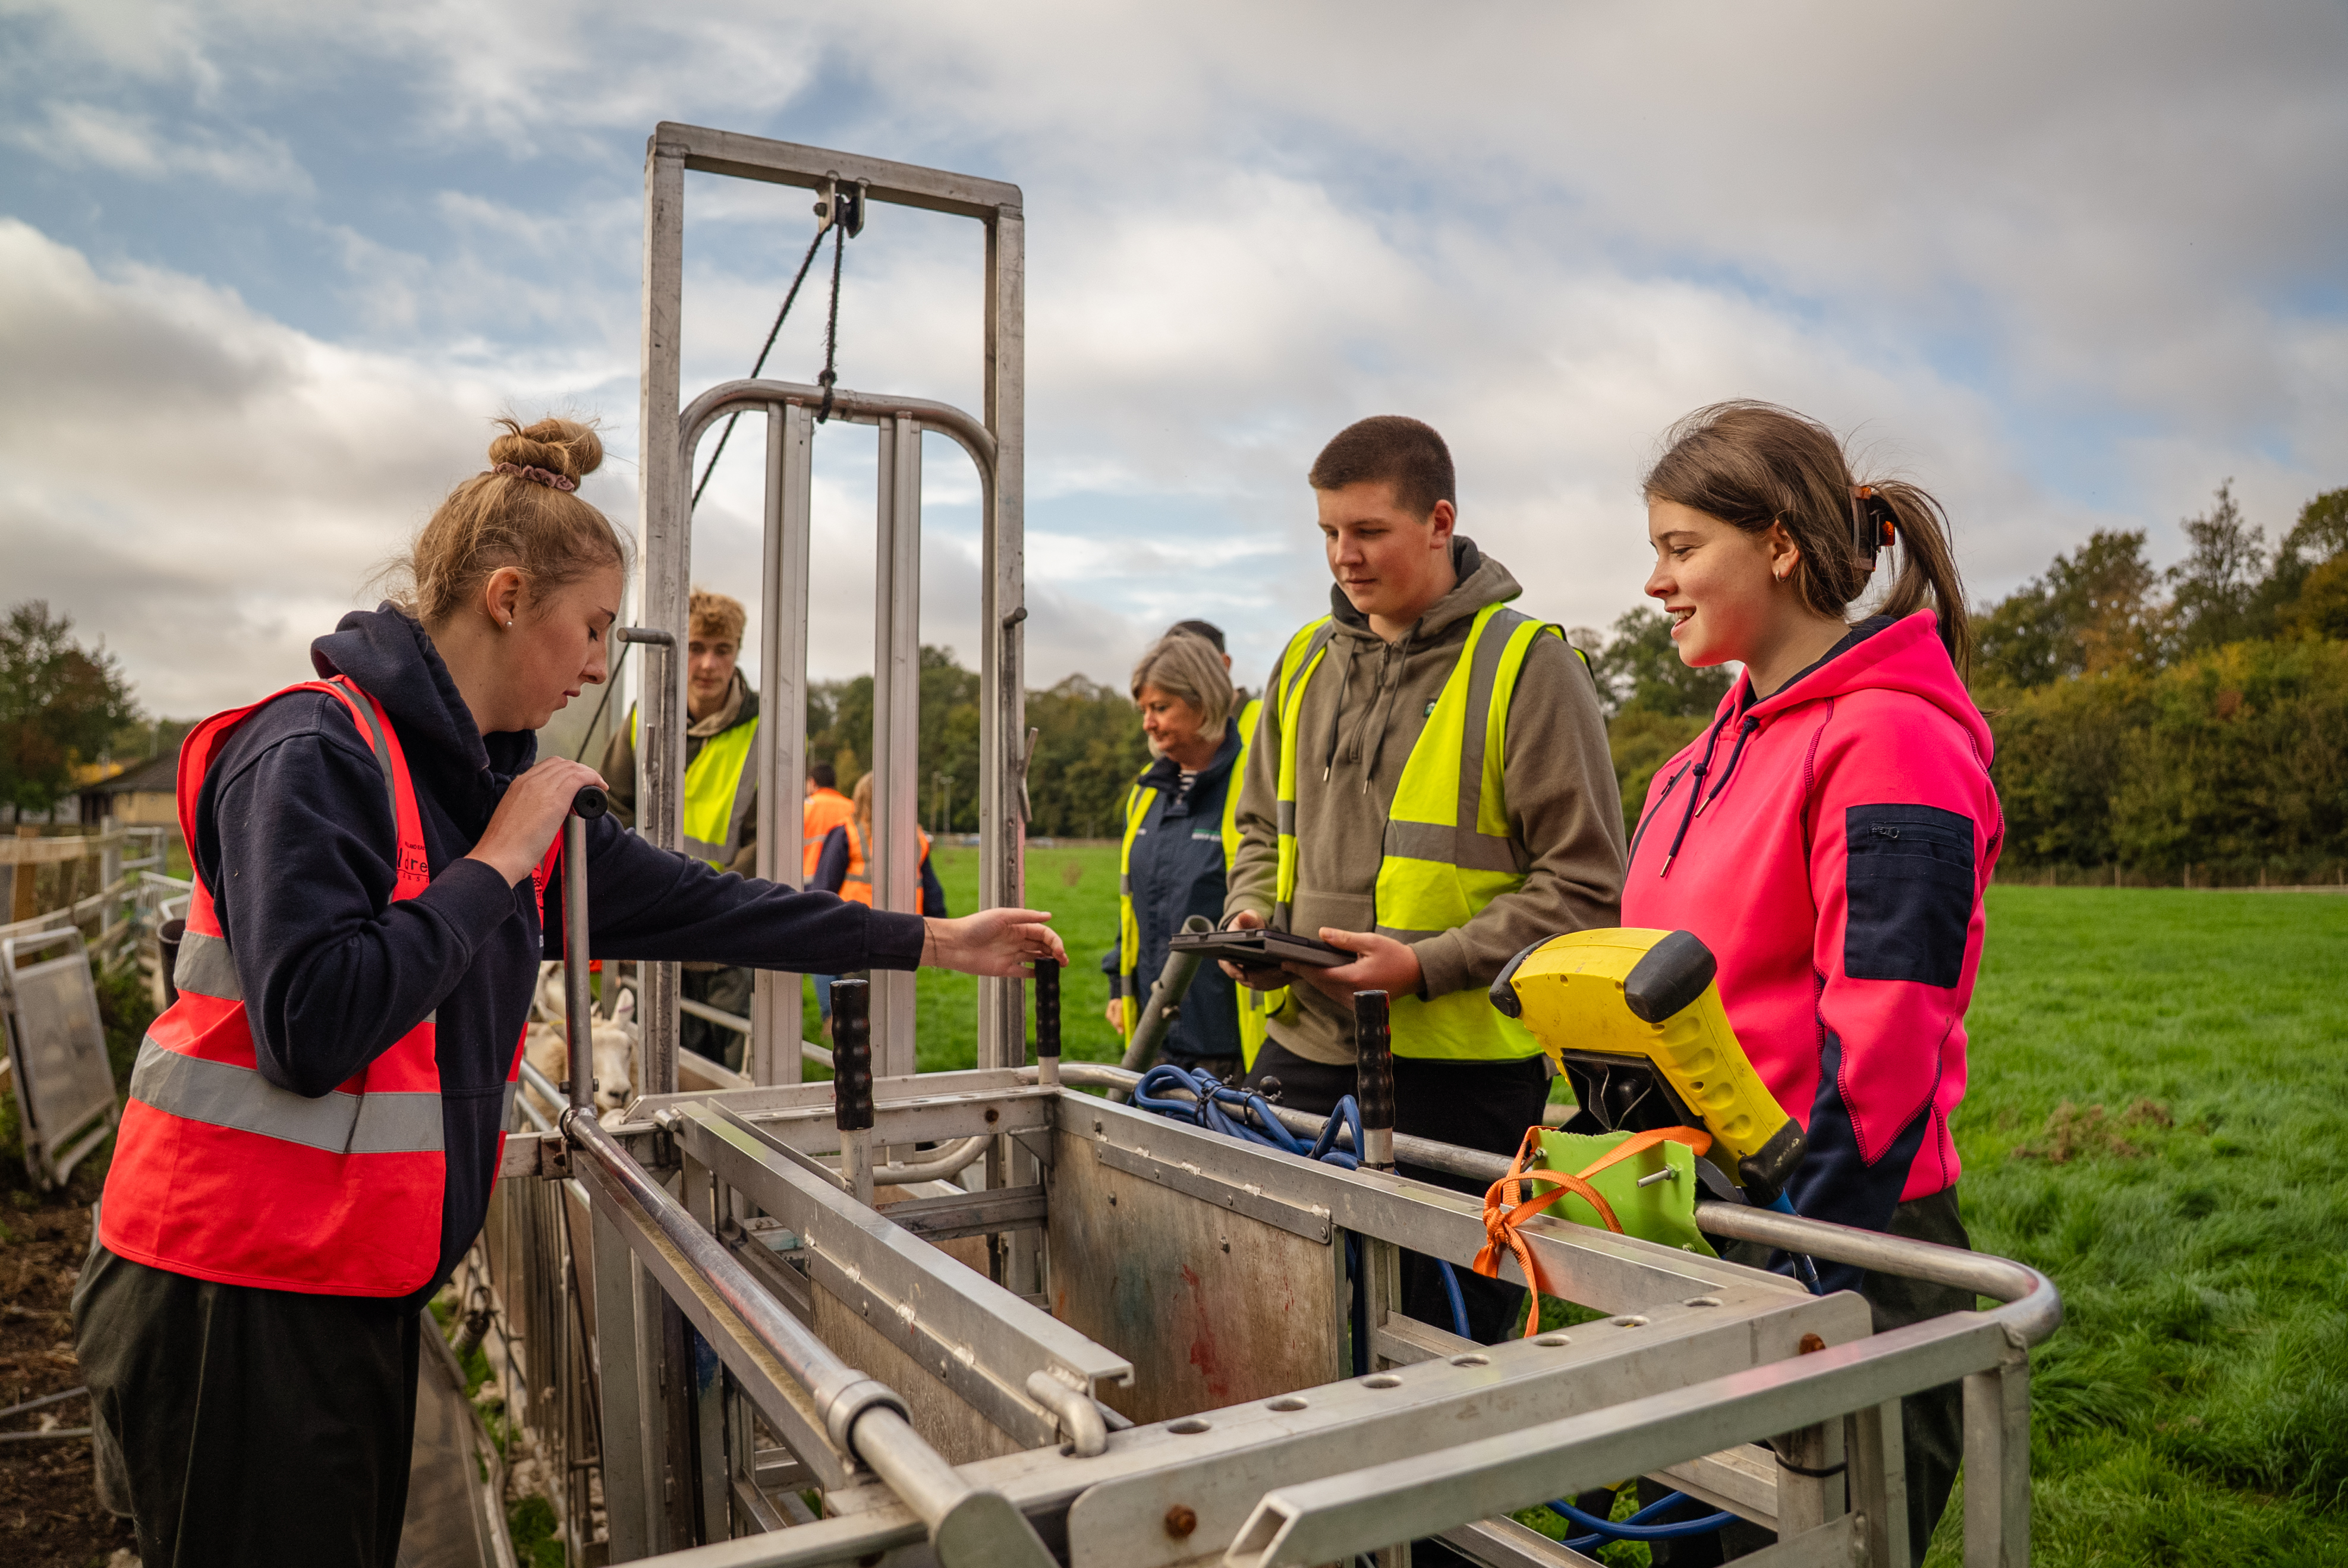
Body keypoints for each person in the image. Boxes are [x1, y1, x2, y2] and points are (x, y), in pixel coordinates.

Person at [73, 417, 1065, 1568]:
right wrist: (496, 863)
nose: (599, 665)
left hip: (344, 1279)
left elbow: (711, 904)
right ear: (506, 597)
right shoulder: (317, 753)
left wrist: (934, 938)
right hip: (224, 1292)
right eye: (593, 627)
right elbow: (312, 1023)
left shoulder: (491, 781)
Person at [1617, 401, 1996, 1563]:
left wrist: (1800, 1264)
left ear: (1778, 543)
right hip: (1711, 1229)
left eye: (1681, 548)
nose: (1655, 581)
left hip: (1846, 1245)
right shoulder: (1694, 759)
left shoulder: (1893, 738)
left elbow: (1887, 1035)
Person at [1220, 415, 1626, 1343]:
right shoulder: (1296, 665)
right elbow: (1252, 829)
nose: (1342, 557)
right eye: (1327, 532)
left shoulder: (1531, 667)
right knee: (1295, 1320)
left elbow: (1585, 884)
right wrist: (1250, 914)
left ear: (1440, 521)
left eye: (1367, 532)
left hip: (1463, 1075)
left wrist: (1425, 963)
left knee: (1450, 1340)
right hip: (1305, 1055)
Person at [598, 588, 760, 1066]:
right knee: (647, 1067)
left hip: (728, 932)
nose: (708, 664)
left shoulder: (770, 729)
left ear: (737, 653)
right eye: (696, 648)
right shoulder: (641, 718)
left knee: (722, 1080)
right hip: (654, 929)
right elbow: (612, 811)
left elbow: (767, 839)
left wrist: (707, 905)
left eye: (722, 650)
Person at [1102, 631, 1249, 1079]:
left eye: (1160, 708)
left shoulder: (1253, 783)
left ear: (1203, 701)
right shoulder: (1146, 793)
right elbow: (1132, 909)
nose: (1147, 723)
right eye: (1144, 710)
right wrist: (1117, 983)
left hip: (1231, 1043)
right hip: (1155, 1040)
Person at [803, 761, 858, 1034]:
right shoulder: (851, 807)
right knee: (844, 945)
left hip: (810, 882)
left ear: (813, 782)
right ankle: (850, 1009)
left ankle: (830, 1016)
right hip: (845, 883)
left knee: (818, 948)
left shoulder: (806, 807)